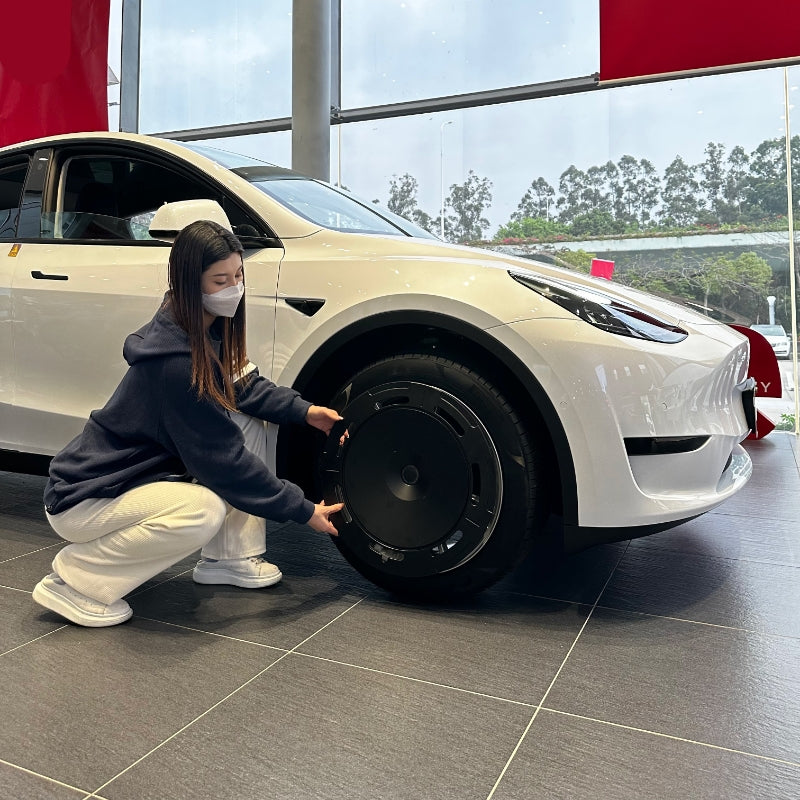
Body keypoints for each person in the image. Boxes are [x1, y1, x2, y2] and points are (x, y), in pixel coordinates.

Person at [32, 219, 344, 628]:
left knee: (254, 419)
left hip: (125, 481)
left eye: (238, 275)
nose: (234, 288)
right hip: (85, 496)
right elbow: (225, 462)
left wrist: (305, 411)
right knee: (201, 511)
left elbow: (242, 385)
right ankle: (76, 582)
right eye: (220, 280)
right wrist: (303, 509)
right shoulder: (176, 364)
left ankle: (229, 558)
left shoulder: (200, 326)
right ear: (188, 283)